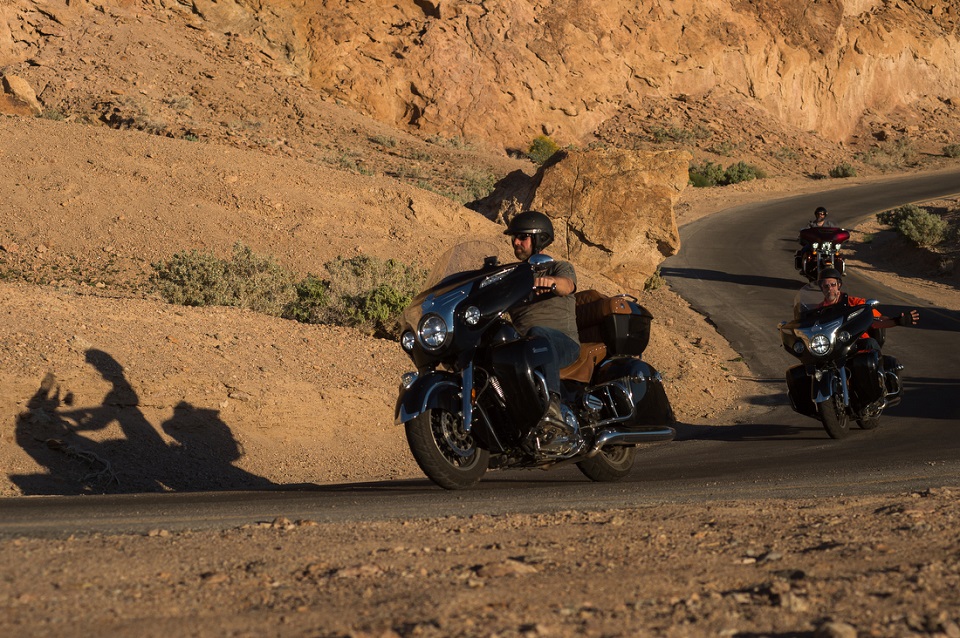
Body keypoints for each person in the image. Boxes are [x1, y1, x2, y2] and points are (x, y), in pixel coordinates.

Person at [503, 210, 580, 430]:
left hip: (562, 342)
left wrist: (551, 282)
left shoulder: (559, 267)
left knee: (538, 334)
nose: (516, 242)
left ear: (539, 240)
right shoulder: (514, 276)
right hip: (525, 345)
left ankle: (553, 407)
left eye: (522, 237)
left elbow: (567, 285)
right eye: (514, 238)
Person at [816, 268, 919, 350]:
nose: (830, 289)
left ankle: (878, 375)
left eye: (833, 285)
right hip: (832, 348)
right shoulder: (819, 310)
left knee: (870, 346)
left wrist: (897, 321)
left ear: (839, 285)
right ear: (822, 288)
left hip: (856, 344)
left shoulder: (855, 303)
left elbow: (877, 320)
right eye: (826, 286)